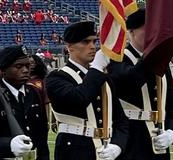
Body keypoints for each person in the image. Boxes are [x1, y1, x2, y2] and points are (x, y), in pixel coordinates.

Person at [45, 21, 129, 160]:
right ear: (70, 47)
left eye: (94, 42)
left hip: (106, 150)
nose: (92, 47)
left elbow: (121, 120)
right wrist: (96, 67)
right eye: (85, 42)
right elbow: (79, 99)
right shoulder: (57, 77)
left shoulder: (103, 78)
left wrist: (118, 145)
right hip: (75, 151)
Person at [107, 9, 173, 160]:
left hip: (159, 141)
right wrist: (153, 55)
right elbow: (129, 82)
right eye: (148, 29)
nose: (154, 34)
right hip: (131, 139)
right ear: (131, 32)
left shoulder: (161, 64)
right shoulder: (118, 60)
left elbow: (172, 105)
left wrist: (172, 132)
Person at [0, 45, 49, 160]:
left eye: (27, 66)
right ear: (3, 70)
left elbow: (42, 133)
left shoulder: (33, 92)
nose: (25, 70)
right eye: (18, 66)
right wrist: (9, 145)